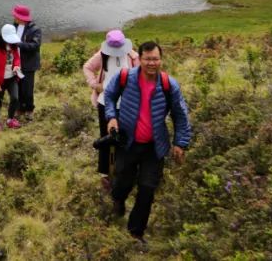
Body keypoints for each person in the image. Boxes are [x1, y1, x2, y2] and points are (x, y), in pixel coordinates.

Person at [104, 41, 192, 244]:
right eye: (147, 59)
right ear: (139, 59)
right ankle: (118, 199)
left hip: (155, 146)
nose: (152, 63)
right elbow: (109, 95)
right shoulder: (126, 77)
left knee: (147, 189)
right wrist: (111, 117)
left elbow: (181, 115)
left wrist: (181, 142)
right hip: (128, 142)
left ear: (160, 59)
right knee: (123, 181)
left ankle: (136, 232)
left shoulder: (169, 84)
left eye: (155, 59)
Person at [82, 29, 140, 192]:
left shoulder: (132, 57)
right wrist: (94, 84)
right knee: (106, 138)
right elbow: (87, 67)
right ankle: (105, 173)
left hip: (127, 105)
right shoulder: (102, 54)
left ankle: (123, 172)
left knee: (125, 138)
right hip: (105, 103)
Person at [0, 24, 24, 130]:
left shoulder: (14, 46)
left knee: (15, 98)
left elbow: (17, 58)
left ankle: (10, 120)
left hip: (11, 78)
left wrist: (16, 66)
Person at [12, 4, 42, 121]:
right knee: (17, 88)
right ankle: (19, 109)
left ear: (21, 18)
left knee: (27, 89)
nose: (14, 17)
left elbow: (35, 45)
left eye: (15, 15)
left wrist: (19, 44)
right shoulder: (13, 27)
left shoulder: (35, 30)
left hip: (29, 65)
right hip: (16, 64)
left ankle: (29, 110)